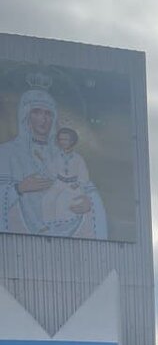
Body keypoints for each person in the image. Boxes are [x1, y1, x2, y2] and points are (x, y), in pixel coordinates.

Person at [0, 89, 107, 238]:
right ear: (25, 115)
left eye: (48, 114)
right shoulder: (7, 152)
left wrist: (89, 203)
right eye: (36, 112)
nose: (43, 119)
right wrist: (19, 188)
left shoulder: (66, 154)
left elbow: (87, 186)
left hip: (68, 225)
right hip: (20, 238)